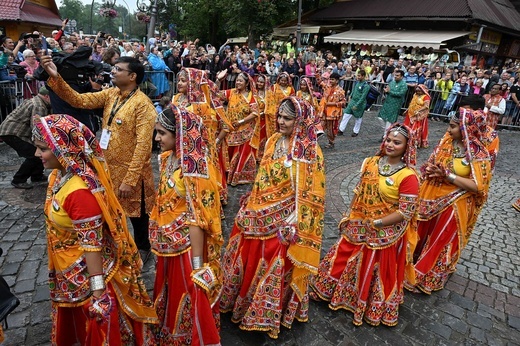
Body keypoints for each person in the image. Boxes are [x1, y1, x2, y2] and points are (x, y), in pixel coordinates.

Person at [32, 114, 158, 345]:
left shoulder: (80, 192)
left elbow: (92, 247)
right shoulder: (58, 176)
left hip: (87, 278)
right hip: (67, 271)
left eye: (42, 149)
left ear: (65, 150)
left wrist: (98, 294)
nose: (37, 155)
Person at [220, 96, 325, 339]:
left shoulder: (310, 152)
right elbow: (262, 175)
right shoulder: (273, 141)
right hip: (258, 213)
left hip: (283, 221)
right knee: (248, 255)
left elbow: (311, 194)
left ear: (300, 122)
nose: (280, 121)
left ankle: (266, 312)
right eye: (279, 116)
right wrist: (253, 200)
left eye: (287, 118)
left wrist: (294, 220)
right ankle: (242, 301)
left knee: (271, 259)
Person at [40, 55, 156, 262]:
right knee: (110, 210)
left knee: (137, 213)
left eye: (118, 69)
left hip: (132, 171)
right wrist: (56, 78)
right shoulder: (111, 94)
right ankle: (115, 245)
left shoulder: (143, 105)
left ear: (132, 76)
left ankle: (143, 247)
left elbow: (143, 146)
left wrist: (130, 179)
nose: (113, 71)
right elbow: (79, 100)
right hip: (109, 167)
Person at [311, 123, 419, 327]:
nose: (391, 145)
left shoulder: (408, 176)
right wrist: (348, 215)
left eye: (397, 142)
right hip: (360, 221)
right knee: (343, 254)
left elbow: (405, 212)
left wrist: (376, 223)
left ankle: (364, 301)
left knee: (372, 267)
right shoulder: (371, 162)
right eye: (389, 140)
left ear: (407, 147)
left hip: (385, 230)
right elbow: (358, 192)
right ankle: (331, 291)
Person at [147, 106, 223, 345]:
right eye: (156, 133)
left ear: (179, 135)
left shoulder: (195, 170)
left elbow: (198, 218)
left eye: (161, 133)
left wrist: (198, 266)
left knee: (187, 291)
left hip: (187, 250)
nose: (157, 139)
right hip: (168, 244)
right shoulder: (169, 159)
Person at [406, 108, 493, 294]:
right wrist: (430, 170)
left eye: (453, 127)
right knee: (422, 231)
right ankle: (409, 263)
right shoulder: (446, 142)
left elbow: (478, 186)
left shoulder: (478, 153)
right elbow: (433, 161)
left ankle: (426, 274)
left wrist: (448, 176)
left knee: (441, 238)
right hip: (431, 196)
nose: (449, 130)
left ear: (466, 129)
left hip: (457, 201)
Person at [0, 87, 50, 189]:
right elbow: (36, 127)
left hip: (12, 131)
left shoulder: (36, 100)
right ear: (47, 96)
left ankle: (37, 175)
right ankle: (18, 180)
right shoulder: (39, 106)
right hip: (13, 132)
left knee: (38, 152)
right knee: (35, 154)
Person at [217, 72, 259, 186]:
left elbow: (255, 113)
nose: (237, 82)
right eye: (237, 80)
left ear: (247, 84)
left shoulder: (251, 96)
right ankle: (227, 174)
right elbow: (215, 94)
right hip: (231, 129)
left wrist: (241, 122)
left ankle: (237, 176)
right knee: (229, 152)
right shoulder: (231, 93)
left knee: (240, 153)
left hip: (245, 130)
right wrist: (218, 80)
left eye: (240, 81)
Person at [338, 70, 370, 137]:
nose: (358, 77)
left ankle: (356, 131)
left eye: (359, 76)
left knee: (358, 118)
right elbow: (354, 90)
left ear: (363, 76)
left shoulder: (366, 86)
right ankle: (341, 129)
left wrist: (357, 105)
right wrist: (350, 96)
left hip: (360, 104)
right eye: (357, 75)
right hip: (352, 102)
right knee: (346, 114)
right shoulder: (357, 82)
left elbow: (363, 97)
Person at [318, 72, 346, 148]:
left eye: (332, 79)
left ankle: (331, 142)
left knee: (331, 129)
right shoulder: (327, 87)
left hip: (333, 113)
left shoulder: (340, 91)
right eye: (330, 79)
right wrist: (317, 75)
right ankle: (314, 140)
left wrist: (333, 104)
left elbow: (343, 102)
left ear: (337, 81)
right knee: (320, 126)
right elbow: (320, 83)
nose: (330, 81)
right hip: (324, 111)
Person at [377, 70, 407, 137]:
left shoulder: (404, 85)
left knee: (389, 120)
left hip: (395, 105)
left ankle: (385, 135)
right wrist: (386, 91)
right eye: (395, 75)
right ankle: (388, 130)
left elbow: (400, 94)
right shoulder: (392, 83)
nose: (395, 77)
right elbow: (388, 90)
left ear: (402, 77)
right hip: (387, 102)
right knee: (380, 117)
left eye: (397, 75)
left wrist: (390, 92)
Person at [265, 72, 295, 138]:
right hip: (274, 111)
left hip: (286, 111)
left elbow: (292, 100)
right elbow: (270, 98)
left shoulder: (291, 89)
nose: (283, 82)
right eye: (282, 80)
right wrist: (274, 110)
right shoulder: (274, 87)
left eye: (285, 81)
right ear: (279, 80)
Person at [404, 84, 431, 148]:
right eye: (417, 91)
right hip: (410, 114)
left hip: (419, 116)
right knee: (407, 126)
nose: (418, 92)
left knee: (415, 128)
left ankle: (415, 142)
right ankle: (406, 140)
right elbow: (412, 103)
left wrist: (419, 110)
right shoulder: (415, 95)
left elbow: (426, 106)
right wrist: (407, 110)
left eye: (419, 91)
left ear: (423, 91)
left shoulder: (426, 97)